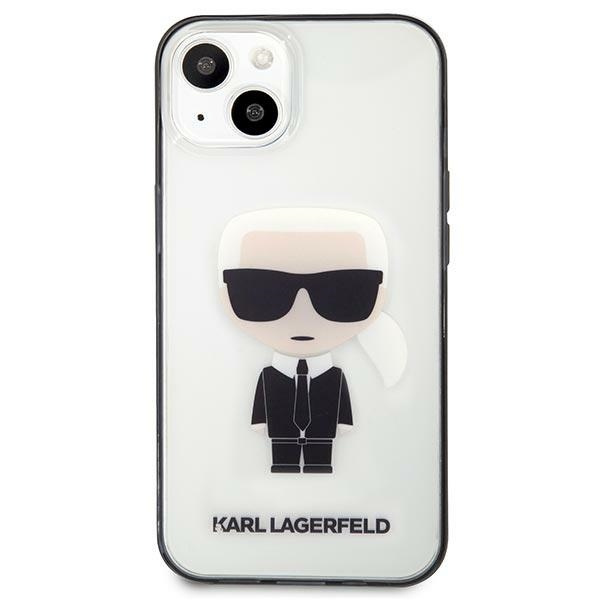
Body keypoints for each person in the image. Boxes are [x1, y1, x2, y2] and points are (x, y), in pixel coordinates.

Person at [218, 208, 406, 473]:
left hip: (323, 436)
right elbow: (261, 407)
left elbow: (343, 407)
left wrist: (343, 423)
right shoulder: (268, 376)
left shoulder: (336, 376)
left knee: (320, 462)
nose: (302, 310)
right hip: (280, 436)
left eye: (345, 292)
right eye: (260, 291)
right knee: (282, 463)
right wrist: (259, 422)